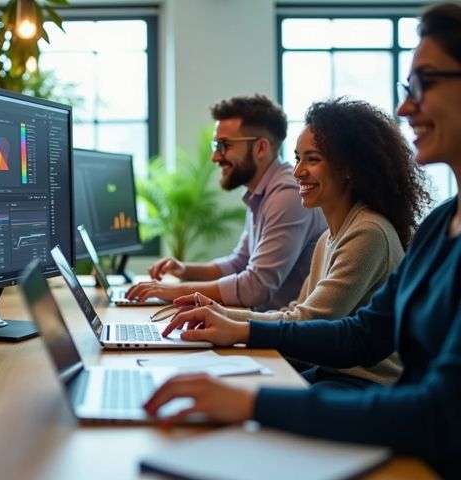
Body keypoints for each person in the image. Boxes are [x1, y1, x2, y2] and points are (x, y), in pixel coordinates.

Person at [143, 3, 461, 476]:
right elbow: (363, 334)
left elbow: (440, 415)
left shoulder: (371, 231)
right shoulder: (441, 226)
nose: (404, 106)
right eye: (405, 88)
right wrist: (242, 329)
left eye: (424, 82)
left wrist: (252, 401)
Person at [168, 98, 432, 387]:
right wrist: (221, 313)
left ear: (348, 168)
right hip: (330, 371)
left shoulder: (367, 232)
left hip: (362, 382)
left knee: (244, 397)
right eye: (297, 158)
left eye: (313, 159)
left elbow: (310, 320)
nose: (298, 172)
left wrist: (236, 327)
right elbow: (295, 311)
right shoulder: (328, 238)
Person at [125, 95, 326, 309]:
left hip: (283, 335)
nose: (215, 157)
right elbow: (239, 263)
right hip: (264, 324)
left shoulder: (287, 194)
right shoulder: (262, 193)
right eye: (215, 145)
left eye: (224, 145)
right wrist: (185, 270)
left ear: (261, 148)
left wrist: (172, 291)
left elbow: (255, 288)